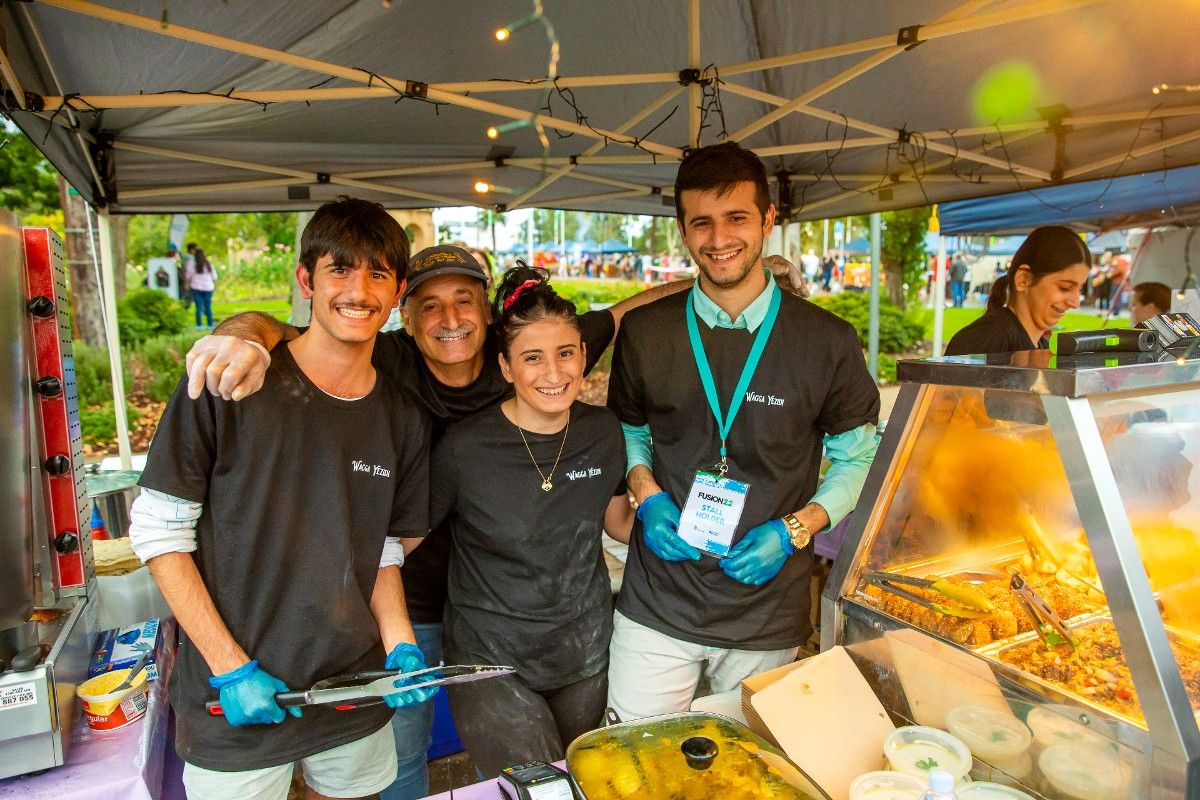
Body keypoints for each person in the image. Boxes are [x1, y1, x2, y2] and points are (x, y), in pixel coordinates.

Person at [182, 244, 689, 800]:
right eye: (430, 306)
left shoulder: (551, 359)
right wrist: (241, 334)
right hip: (418, 608)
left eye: (465, 300)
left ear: (490, 318)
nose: (450, 320)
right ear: (405, 312)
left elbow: (620, 316)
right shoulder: (389, 360)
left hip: (561, 628)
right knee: (402, 759)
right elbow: (295, 333)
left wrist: (728, 280)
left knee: (581, 773)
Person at [127, 197, 435, 800]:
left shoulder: (401, 416)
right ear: (306, 281)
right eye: (339, 270)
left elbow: (384, 550)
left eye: (377, 274)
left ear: (398, 291)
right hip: (233, 701)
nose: (359, 290)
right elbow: (158, 532)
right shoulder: (230, 381)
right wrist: (229, 666)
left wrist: (399, 642)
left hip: (352, 692)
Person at [605, 141, 881, 721]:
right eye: (700, 222)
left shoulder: (827, 341)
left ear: (768, 221)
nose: (719, 238)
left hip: (767, 611)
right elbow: (630, 431)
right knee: (633, 764)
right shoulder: (645, 333)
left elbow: (859, 461)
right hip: (658, 602)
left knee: (749, 773)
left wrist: (795, 530)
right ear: (682, 230)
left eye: (737, 218)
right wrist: (647, 495)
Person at [415, 266, 633, 777]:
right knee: (540, 789)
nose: (553, 373)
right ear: (507, 368)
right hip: (489, 659)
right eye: (532, 358)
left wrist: (695, 535)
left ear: (583, 356)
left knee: (588, 780)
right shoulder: (464, 449)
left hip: (584, 650)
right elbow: (401, 543)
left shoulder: (603, 432)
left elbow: (618, 520)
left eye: (565, 354)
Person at [944, 225, 1090, 357]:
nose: (1075, 303)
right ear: (1023, 279)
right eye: (1065, 287)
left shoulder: (1042, 347)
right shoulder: (985, 339)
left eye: (1080, 289)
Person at [187, 244, 218, 328]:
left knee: (199, 307)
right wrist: (215, 286)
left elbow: (188, 276)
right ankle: (210, 324)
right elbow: (214, 277)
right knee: (208, 306)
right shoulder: (208, 264)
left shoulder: (191, 264)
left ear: (195, 255)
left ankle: (199, 325)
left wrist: (188, 285)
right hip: (208, 287)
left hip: (196, 287)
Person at [181, 243, 196, 309]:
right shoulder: (189, 257)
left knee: (189, 296)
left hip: (188, 279)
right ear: (192, 249)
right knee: (188, 296)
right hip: (188, 279)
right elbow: (188, 270)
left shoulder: (187, 256)